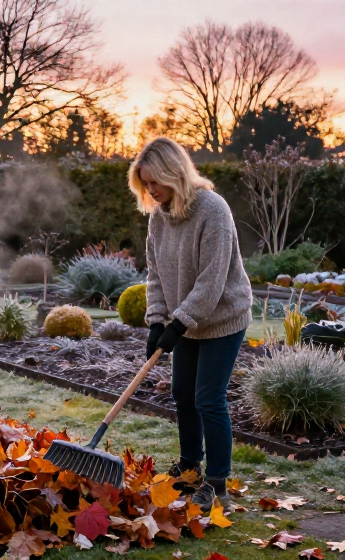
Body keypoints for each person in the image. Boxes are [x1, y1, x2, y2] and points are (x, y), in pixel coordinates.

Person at [127, 137, 253, 511]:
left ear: (174, 173)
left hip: (222, 317)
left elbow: (212, 281)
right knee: (182, 393)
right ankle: (189, 466)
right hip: (186, 318)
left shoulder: (213, 210)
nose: (151, 191)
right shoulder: (159, 216)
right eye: (145, 184)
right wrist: (155, 321)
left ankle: (217, 484)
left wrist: (176, 324)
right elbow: (155, 273)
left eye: (155, 182)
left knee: (208, 399)